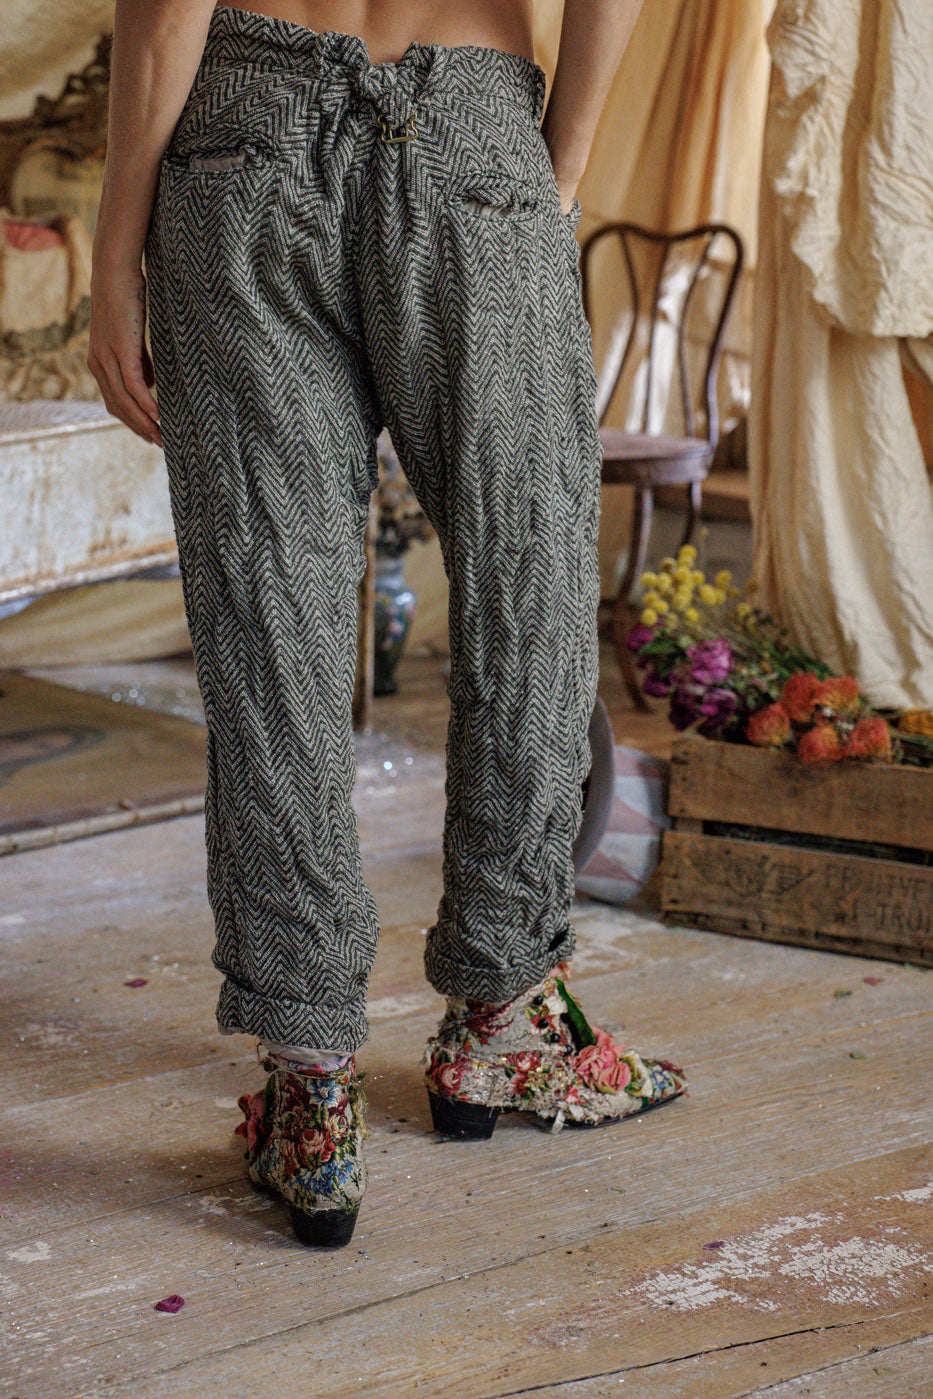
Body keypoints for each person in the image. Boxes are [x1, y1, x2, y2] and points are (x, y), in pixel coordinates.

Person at [89, 0, 686, 1251]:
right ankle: (502, 1016)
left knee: (269, 612)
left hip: (241, 133)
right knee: (527, 580)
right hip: (473, 130)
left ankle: (311, 1087)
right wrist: (556, 170)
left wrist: (113, 257)